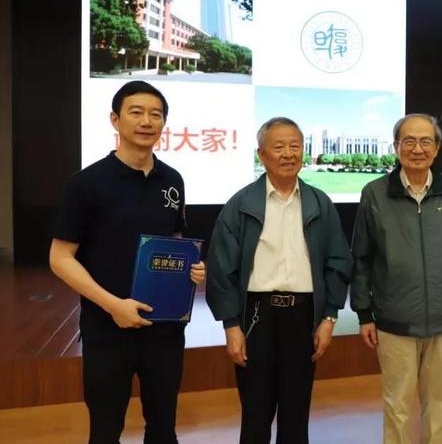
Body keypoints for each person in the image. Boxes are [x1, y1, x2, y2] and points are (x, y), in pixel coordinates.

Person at [50, 80, 206, 444]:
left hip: (164, 330)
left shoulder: (172, 180)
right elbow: (59, 258)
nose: (147, 121)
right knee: (105, 431)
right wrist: (113, 305)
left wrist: (191, 268)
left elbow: (174, 242)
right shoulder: (86, 183)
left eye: (156, 114)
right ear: (115, 120)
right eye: (136, 112)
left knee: (163, 429)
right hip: (107, 329)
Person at [205, 117, 352, 444]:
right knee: (255, 415)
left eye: (295, 146)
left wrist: (329, 317)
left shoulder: (319, 203)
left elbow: (339, 262)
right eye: (279, 147)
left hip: (304, 316)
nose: (288, 154)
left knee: (296, 414)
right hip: (257, 316)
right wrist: (231, 325)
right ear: (262, 154)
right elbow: (221, 269)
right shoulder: (241, 204)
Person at [351, 113, 442, 444]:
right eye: (409, 141)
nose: (417, 149)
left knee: (440, 402)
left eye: (425, 141)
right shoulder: (375, 194)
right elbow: (362, 257)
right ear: (396, 147)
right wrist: (364, 313)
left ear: (437, 148)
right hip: (395, 319)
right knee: (398, 405)